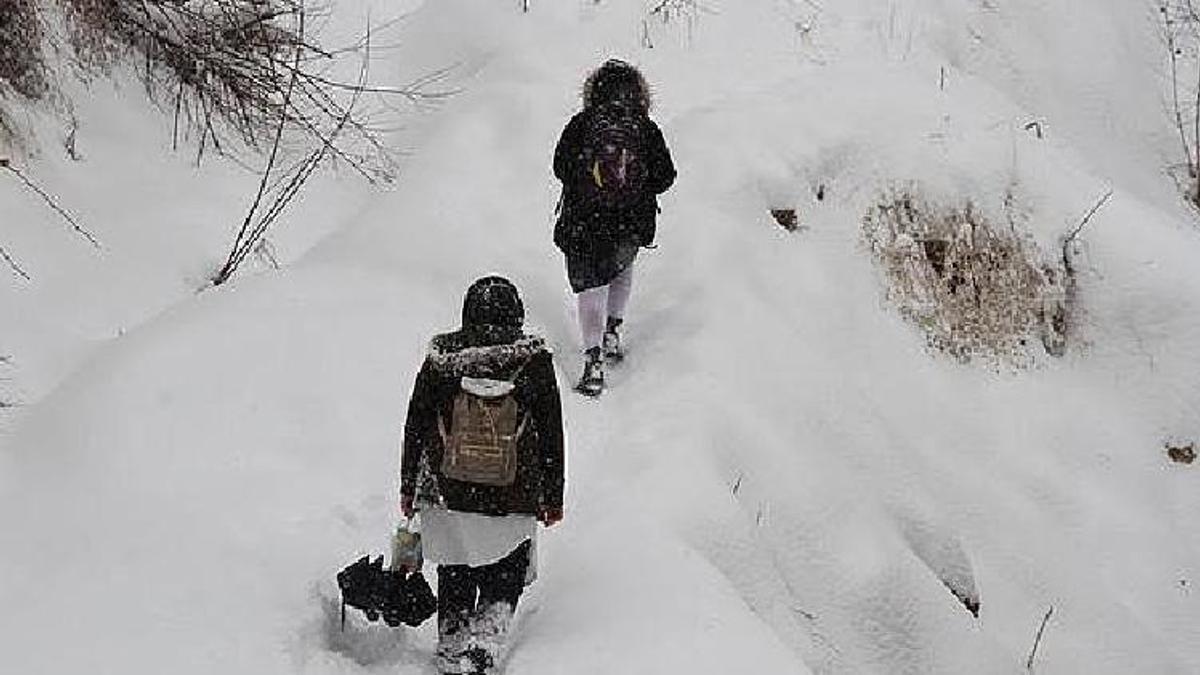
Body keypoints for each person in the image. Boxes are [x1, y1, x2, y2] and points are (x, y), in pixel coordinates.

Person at [400, 276, 565, 675]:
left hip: (447, 488)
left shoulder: (442, 361)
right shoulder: (533, 362)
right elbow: (551, 431)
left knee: (455, 562)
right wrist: (552, 496)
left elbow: (417, 423)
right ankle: (485, 641)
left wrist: (408, 485)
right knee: (506, 564)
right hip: (514, 489)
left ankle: (452, 639)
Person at [553, 58, 677, 396]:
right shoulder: (644, 128)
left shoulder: (582, 124)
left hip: (583, 222)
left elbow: (560, 167)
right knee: (620, 269)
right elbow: (666, 176)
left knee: (590, 285)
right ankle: (612, 332)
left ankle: (593, 360)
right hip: (628, 223)